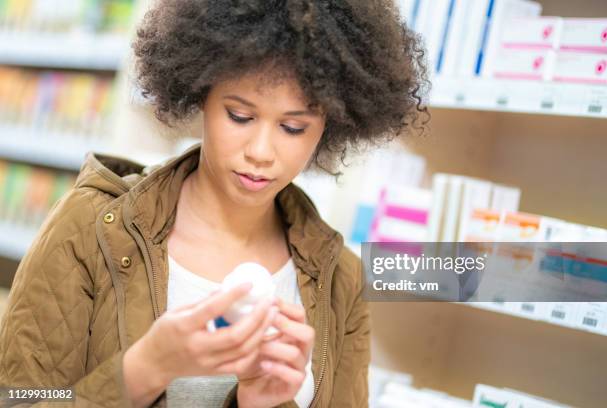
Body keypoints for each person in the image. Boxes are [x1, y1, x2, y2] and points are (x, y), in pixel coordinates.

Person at [0, 0, 428, 407]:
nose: (261, 151)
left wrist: (264, 404)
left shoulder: (341, 281)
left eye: (293, 127)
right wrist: (145, 369)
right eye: (240, 116)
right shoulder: (92, 224)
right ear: (201, 91)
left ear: (330, 125)